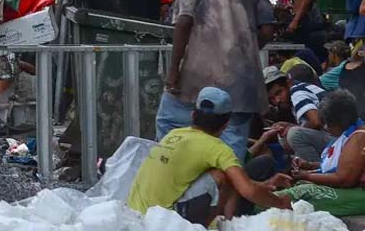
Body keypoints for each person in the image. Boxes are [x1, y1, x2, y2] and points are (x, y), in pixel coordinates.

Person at [158, 0, 276, 161]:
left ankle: (176, 185)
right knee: (230, 150)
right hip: (242, 82)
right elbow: (266, 31)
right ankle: (224, 194)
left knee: (170, 125)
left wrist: (173, 71)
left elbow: (184, 21)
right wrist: (245, 50)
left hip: (197, 77)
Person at [128, 87, 292, 226]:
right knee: (223, 176)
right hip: (166, 222)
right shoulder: (217, 148)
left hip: (138, 216)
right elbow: (247, 189)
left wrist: (265, 184)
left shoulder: (174, 134)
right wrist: (280, 203)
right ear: (226, 124)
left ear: (193, 115)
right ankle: (219, 225)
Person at [276, 89, 365, 216]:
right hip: (352, 188)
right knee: (299, 187)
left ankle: (255, 203)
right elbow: (339, 166)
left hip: (360, 195)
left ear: (340, 121)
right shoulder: (347, 135)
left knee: (304, 192)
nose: (326, 128)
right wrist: (308, 165)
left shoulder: (359, 138)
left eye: (328, 124)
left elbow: (343, 179)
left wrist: (306, 175)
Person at [264, 65, 330, 162]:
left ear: (288, 84)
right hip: (334, 137)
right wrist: (290, 126)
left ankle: (316, 170)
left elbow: (316, 122)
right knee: (285, 135)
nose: (277, 100)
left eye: (279, 93)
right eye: (272, 98)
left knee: (294, 134)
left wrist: (292, 128)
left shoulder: (296, 92)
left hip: (339, 138)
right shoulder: (299, 90)